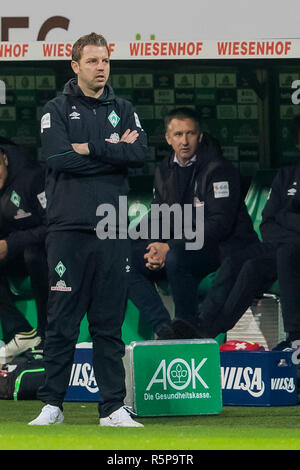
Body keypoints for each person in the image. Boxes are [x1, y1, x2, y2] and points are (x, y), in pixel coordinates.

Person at [29, 32, 147, 427]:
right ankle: (52, 406)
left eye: (105, 61)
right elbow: (59, 158)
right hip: (68, 231)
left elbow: (139, 154)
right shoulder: (56, 109)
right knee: (61, 322)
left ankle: (112, 408)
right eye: (93, 61)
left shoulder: (124, 107)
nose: (101, 68)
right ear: (75, 66)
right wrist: (112, 151)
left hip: (112, 230)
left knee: (108, 323)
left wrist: (90, 147)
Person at [128, 107, 259, 340]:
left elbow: (219, 224)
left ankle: (186, 328)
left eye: (190, 134)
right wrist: (154, 246)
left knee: (176, 254)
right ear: (168, 139)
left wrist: (169, 246)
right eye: (178, 135)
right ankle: (164, 327)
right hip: (184, 244)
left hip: (221, 247)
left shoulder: (219, 169)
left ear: (199, 136)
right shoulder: (163, 170)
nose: (185, 141)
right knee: (125, 258)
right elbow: (160, 216)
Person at [172, 126, 300, 350]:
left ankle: (295, 336)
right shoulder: (287, 174)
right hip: (279, 244)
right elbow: (268, 222)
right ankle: (206, 328)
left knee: (286, 253)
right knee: (241, 262)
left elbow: (279, 218)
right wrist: (286, 221)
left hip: (292, 250)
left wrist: (285, 217)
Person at [0, 143, 48, 362]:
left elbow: (52, 224)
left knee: (33, 254)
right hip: (14, 249)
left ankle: (47, 335)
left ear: (5, 159)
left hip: (46, 247)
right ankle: (20, 332)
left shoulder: (32, 177)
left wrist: (11, 244)